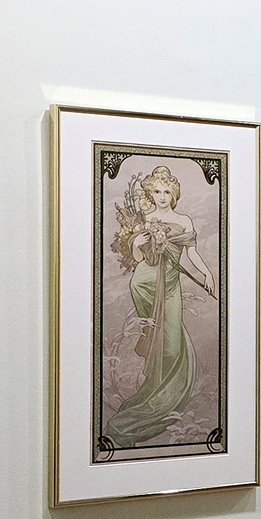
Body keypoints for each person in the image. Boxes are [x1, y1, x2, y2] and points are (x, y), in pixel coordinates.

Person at [105, 165, 216, 446]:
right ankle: (155, 394)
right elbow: (137, 258)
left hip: (170, 285)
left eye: (167, 191)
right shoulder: (143, 218)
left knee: (172, 345)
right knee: (158, 337)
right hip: (145, 283)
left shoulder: (184, 220)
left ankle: (164, 397)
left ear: (174, 194)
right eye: (157, 191)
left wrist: (207, 273)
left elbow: (191, 253)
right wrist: (136, 245)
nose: (162, 196)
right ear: (150, 193)